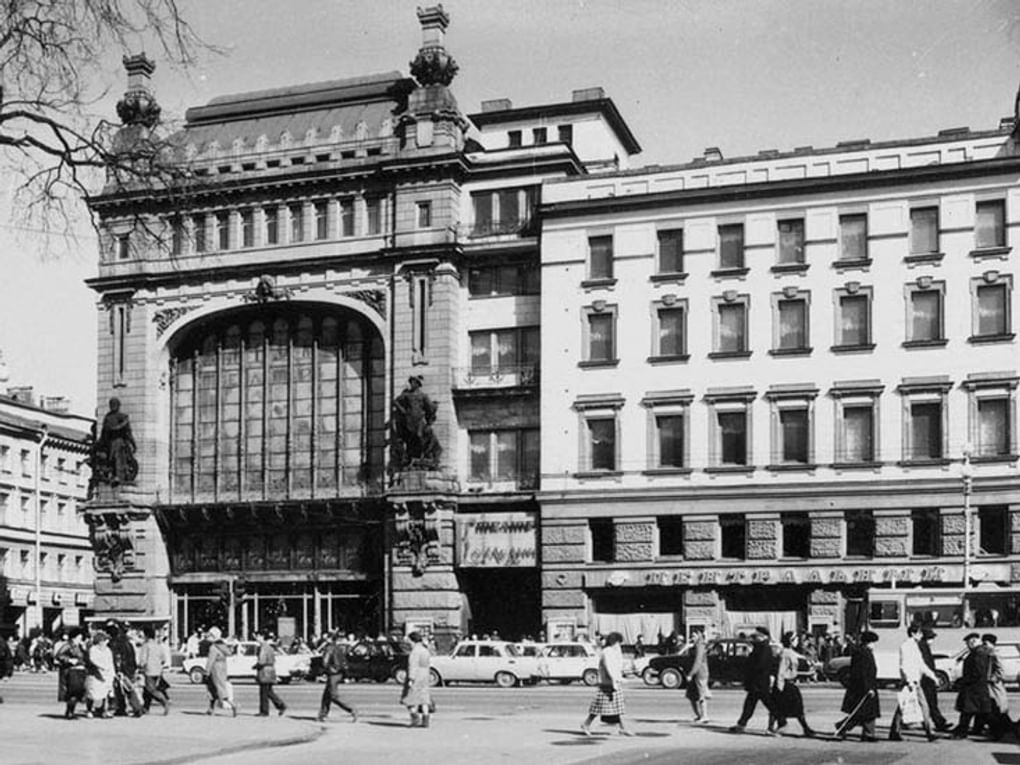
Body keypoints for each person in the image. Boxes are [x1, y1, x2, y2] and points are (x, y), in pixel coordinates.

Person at [888, 624, 937, 742]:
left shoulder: (915, 646)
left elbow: (921, 664)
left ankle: (896, 731)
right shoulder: (906, 646)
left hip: (916, 681)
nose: (921, 635)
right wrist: (909, 680)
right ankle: (929, 732)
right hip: (910, 682)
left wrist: (932, 676)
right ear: (913, 633)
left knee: (910, 706)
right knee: (906, 706)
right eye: (919, 633)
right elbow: (904, 665)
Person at [581, 631, 632, 737]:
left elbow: (618, 664)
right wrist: (618, 678)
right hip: (607, 683)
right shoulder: (607, 652)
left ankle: (623, 728)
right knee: (598, 707)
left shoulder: (613, 651)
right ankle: (586, 724)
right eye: (618, 642)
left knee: (619, 707)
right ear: (614, 642)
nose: (619, 645)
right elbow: (609, 668)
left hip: (613, 683)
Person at [730, 627, 779, 734]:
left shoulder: (764, 648)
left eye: (757, 636)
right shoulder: (759, 647)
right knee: (749, 704)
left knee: (769, 704)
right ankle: (741, 724)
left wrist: (750, 664)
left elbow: (760, 665)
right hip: (756, 682)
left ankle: (781, 721)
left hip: (759, 682)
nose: (755, 638)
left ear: (764, 637)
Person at [836, 630, 880, 742]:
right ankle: (844, 726)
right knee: (861, 712)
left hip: (867, 686)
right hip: (863, 688)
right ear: (867, 642)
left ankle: (868, 733)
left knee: (868, 712)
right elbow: (863, 673)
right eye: (872, 642)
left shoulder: (864, 652)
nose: (873, 645)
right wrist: (868, 688)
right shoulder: (863, 653)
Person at [770, 631, 814, 737]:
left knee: (795, 708)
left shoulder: (789, 652)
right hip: (785, 685)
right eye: (796, 639)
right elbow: (781, 671)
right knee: (780, 707)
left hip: (789, 684)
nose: (798, 641)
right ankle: (773, 728)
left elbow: (799, 658)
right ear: (791, 641)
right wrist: (779, 687)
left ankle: (806, 728)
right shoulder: (786, 654)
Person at [952, 632, 992, 738]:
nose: (967, 646)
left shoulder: (978, 653)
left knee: (967, 711)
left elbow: (978, 671)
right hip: (977, 687)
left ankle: (961, 732)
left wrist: (965, 680)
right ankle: (978, 729)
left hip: (973, 687)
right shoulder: (979, 652)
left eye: (968, 644)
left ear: (973, 642)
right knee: (980, 711)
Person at [318, 631, 358, 722]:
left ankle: (352, 709)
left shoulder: (329, 648)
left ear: (329, 639)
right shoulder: (338, 648)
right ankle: (322, 715)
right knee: (326, 695)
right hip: (338, 673)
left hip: (333, 673)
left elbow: (325, 662)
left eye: (327, 637)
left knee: (333, 696)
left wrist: (323, 671)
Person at [919, 628, 950, 732]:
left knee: (927, 702)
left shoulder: (924, 646)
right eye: (931, 638)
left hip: (927, 679)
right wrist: (932, 676)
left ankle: (939, 722)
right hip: (926, 679)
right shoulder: (923, 647)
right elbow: (925, 664)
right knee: (930, 702)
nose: (932, 641)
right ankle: (939, 723)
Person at [980, 634, 1010, 740]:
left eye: (985, 643)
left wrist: (993, 678)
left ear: (991, 644)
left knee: (996, 709)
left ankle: (999, 732)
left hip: (994, 686)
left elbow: (1001, 671)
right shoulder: (989, 653)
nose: (984, 645)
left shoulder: (995, 654)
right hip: (990, 686)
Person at [401, 631, 432, 727]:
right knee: (424, 699)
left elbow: (413, 666)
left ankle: (415, 720)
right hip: (425, 675)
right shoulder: (425, 650)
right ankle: (426, 720)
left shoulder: (415, 652)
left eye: (409, 641)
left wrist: (411, 679)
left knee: (411, 699)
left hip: (417, 676)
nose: (408, 643)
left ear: (412, 641)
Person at [137, 626, 171, 715]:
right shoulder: (158, 646)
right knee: (146, 691)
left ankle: (164, 701)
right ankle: (145, 708)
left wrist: (140, 666)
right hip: (158, 671)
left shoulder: (146, 645)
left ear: (146, 635)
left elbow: (143, 659)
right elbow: (163, 659)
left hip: (149, 670)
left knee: (151, 689)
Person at [204, 627, 236, 717]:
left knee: (216, 689)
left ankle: (233, 705)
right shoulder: (223, 646)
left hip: (215, 669)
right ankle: (211, 709)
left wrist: (206, 672)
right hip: (223, 668)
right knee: (218, 688)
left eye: (210, 635)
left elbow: (210, 661)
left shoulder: (213, 647)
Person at [55, 629, 88, 718]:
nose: (80, 639)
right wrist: (69, 660)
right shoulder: (68, 645)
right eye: (79, 638)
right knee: (72, 691)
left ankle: (71, 710)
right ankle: (70, 711)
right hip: (71, 671)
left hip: (80, 671)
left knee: (78, 692)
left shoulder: (80, 646)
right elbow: (59, 655)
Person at [254, 632, 287, 717]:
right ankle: (281, 705)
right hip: (271, 670)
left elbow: (262, 661)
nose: (256, 639)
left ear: (261, 636)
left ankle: (264, 711)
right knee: (269, 692)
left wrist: (256, 666)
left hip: (264, 671)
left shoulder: (263, 647)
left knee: (264, 692)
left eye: (257, 637)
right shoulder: (269, 647)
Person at [86, 630, 115, 719]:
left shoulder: (108, 650)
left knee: (106, 693)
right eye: (105, 640)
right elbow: (93, 660)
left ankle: (104, 710)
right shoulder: (93, 649)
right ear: (100, 641)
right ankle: (90, 710)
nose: (107, 642)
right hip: (95, 674)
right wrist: (102, 667)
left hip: (107, 675)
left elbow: (111, 662)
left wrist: (113, 673)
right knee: (92, 694)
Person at [685, 630, 710, 724]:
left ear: (699, 636)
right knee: (692, 695)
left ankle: (704, 716)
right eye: (691, 636)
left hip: (700, 674)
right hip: (695, 673)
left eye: (694, 636)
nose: (692, 637)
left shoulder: (700, 646)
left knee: (701, 695)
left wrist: (691, 674)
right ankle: (699, 715)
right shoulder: (694, 646)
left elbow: (698, 661)